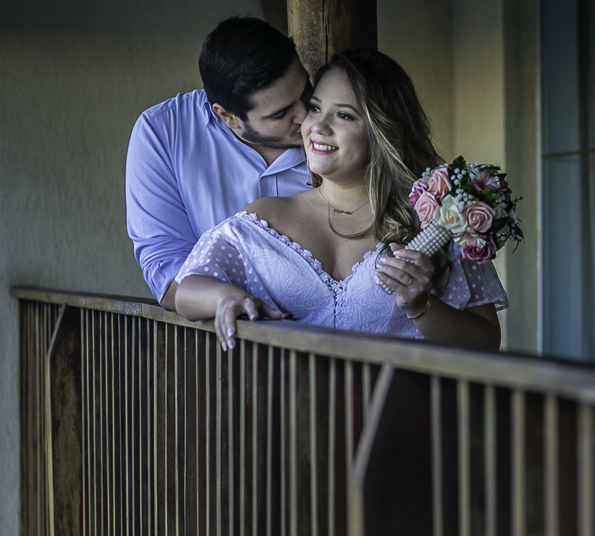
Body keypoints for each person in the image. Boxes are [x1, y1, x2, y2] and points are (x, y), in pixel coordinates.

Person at [174, 49, 506, 350]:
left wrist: (421, 307)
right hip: (288, 413)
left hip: (402, 412)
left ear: (382, 130)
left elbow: (487, 340)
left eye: (344, 115)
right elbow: (186, 290)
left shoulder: (435, 220)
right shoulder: (263, 220)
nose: (318, 126)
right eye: (316, 108)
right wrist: (226, 298)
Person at [125, 16, 312, 309]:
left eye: (305, 91)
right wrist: (230, 301)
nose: (305, 117)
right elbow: (168, 275)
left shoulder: (331, 122)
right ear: (227, 116)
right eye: (281, 113)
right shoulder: (162, 133)